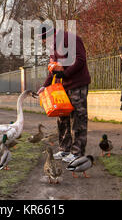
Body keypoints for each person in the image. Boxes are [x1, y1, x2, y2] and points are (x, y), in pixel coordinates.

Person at [37, 23, 91, 163]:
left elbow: (80, 60)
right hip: (63, 87)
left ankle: (77, 152)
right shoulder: (53, 46)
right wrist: (45, 86)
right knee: (62, 118)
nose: (43, 43)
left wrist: (65, 74)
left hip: (77, 84)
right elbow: (53, 68)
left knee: (78, 118)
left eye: (43, 40)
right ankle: (64, 149)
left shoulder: (70, 39)